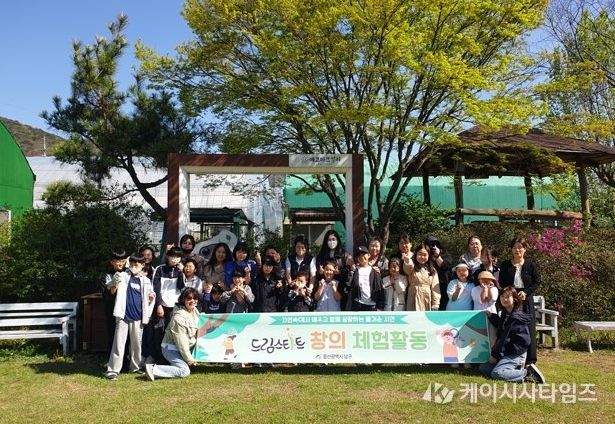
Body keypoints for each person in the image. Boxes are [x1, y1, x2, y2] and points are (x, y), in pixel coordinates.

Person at [105, 253, 155, 380]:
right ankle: (113, 370)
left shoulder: (146, 280)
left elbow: (152, 294)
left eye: (136, 264)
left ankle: (135, 367)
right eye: (132, 264)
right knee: (118, 344)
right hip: (123, 315)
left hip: (138, 316)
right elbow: (110, 287)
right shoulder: (122, 275)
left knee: (136, 345)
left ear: (142, 265)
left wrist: (151, 297)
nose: (134, 266)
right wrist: (115, 282)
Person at [479, 287, 545, 384]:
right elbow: (501, 326)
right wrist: (491, 316)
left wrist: (494, 356)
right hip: (507, 352)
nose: (504, 299)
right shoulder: (505, 313)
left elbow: (504, 339)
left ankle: (527, 373)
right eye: (502, 296)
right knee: (484, 368)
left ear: (514, 299)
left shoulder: (515, 317)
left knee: (496, 373)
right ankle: (513, 370)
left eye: (507, 297)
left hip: (516, 353)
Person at [498, 237, 540, 365]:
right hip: (510, 299)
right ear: (511, 249)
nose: (517, 250)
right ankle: (507, 355)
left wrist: (526, 292)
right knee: (508, 326)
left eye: (520, 247)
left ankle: (530, 359)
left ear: (525, 249)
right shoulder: (505, 264)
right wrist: (512, 293)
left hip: (526, 299)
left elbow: (536, 282)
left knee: (528, 327)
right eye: (515, 247)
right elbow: (502, 282)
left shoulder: (530, 265)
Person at [144, 287, 201, 381]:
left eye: (195, 298)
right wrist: (189, 359)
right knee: (184, 371)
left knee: (184, 368)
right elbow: (181, 342)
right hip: (171, 348)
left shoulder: (195, 311)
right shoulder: (179, 318)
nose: (193, 301)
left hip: (182, 349)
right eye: (189, 298)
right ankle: (153, 369)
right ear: (183, 300)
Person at [314, 230, 353, 310]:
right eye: (329, 240)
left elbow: (349, 272)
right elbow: (315, 274)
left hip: (339, 288)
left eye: (333, 239)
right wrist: (320, 272)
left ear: (337, 240)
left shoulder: (344, 255)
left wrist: (339, 272)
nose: (331, 242)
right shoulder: (321, 256)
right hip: (324, 288)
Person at [100, 249, 129, 353]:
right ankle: (111, 358)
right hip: (111, 309)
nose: (120, 263)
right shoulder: (106, 275)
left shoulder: (128, 273)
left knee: (127, 335)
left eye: (123, 261)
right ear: (112, 262)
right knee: (112, 333)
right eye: (118, 261)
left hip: (127, 309)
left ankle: (126, 358)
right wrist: (114, 286)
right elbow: (106, 295)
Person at [152, 246, 186, 327]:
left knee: (171, 329)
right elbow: (155, 289)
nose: (175, 259)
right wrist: (158, 305)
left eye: (178, 257)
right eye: (173, 256)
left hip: (174, 305)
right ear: (168, 256)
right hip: (161, 304)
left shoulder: (180, 271)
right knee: (159, 329)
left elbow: (180, 286)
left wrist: (182, 272)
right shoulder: (160, 269)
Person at [403, 244, 441, 311]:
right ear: (416, 255)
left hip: (426, 297)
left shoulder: (432, 270)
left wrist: (436, 303)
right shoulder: (413, 267)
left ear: (428, 256)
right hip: (413, 296)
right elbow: (408, 268)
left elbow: (435, 287)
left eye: (425, 255)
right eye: (420, 254)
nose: (422, 257)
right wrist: (407, 261)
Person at [351, 246, 384, 311]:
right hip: (358, 304)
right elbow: (350, 285)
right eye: (359, 255)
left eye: (363, 254)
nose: (361, 257)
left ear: (368, 255)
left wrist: (380, 306)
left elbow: (380, 289)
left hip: (372, 305)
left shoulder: (375, 271)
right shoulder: (355, 271)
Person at [424, 235, 452, 310]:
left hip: (444, 287)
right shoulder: (425, 256)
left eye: (435, 244)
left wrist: (437, 255)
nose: (433, 247)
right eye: (430, 245)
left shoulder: (445, 254)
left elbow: (444, 266)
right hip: (429, 288)